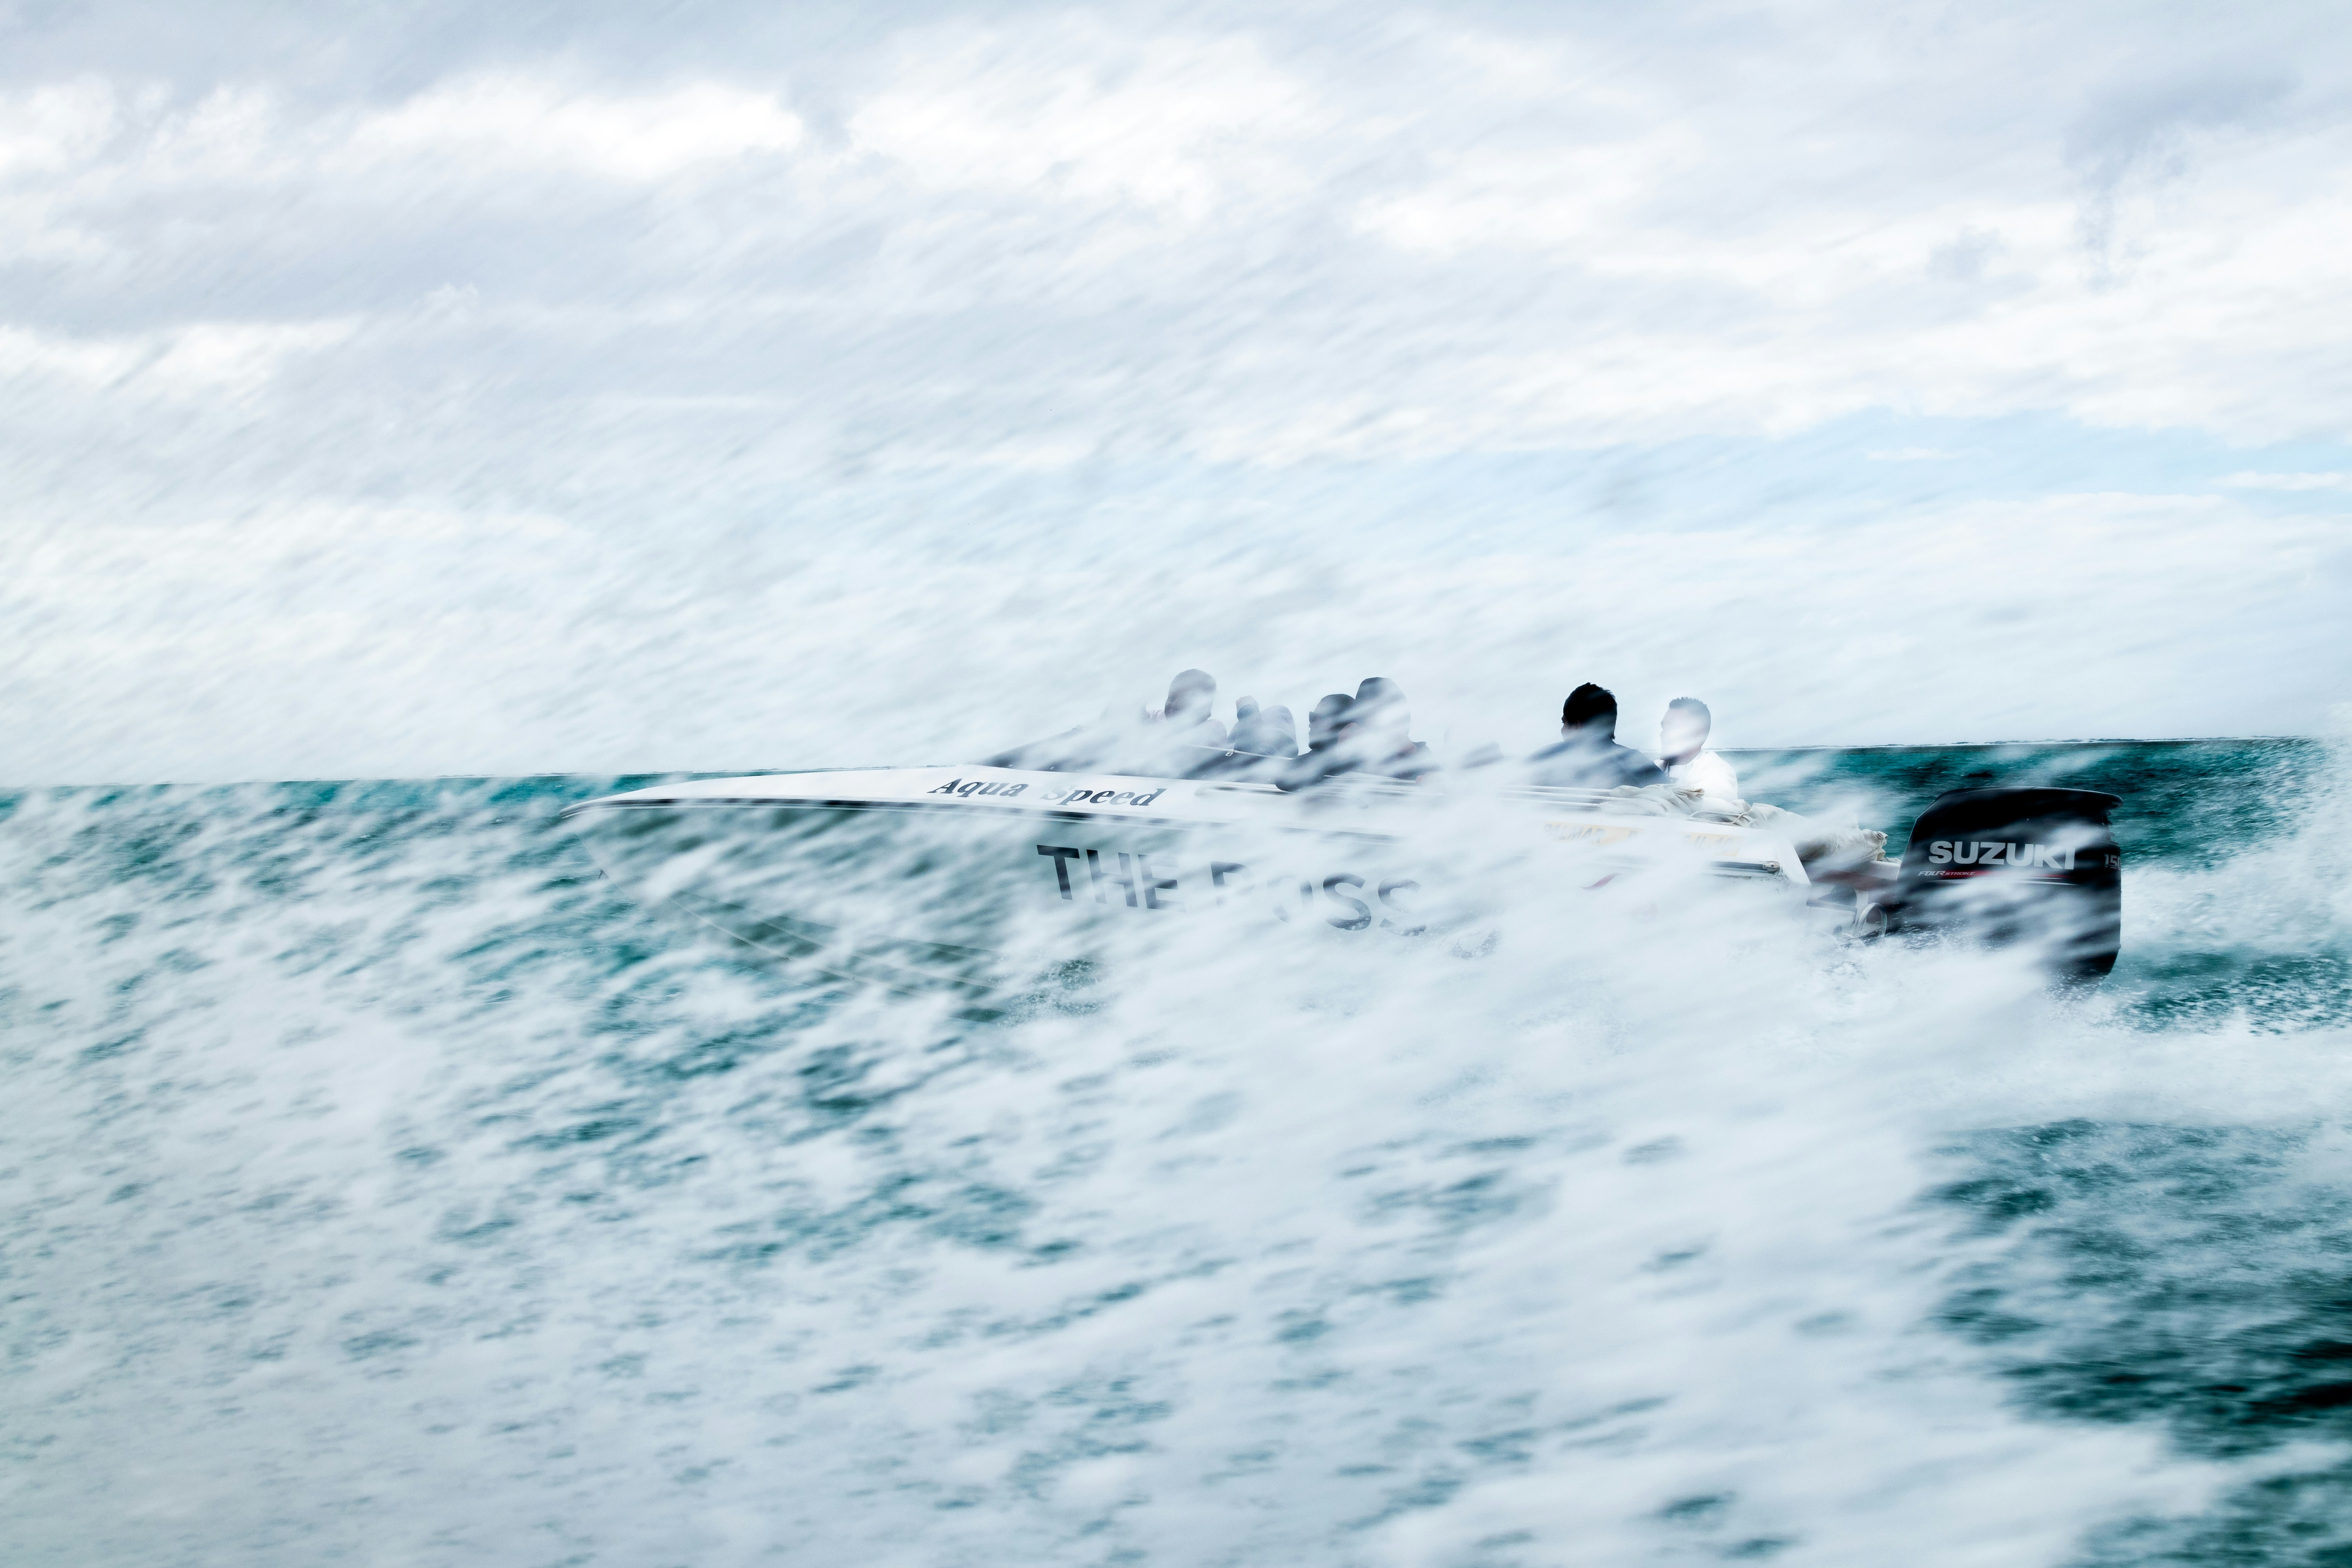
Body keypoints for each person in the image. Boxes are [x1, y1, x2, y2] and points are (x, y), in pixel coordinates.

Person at [1528, 683, 1669, 788]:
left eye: (1564, 723)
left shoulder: (1547, 760)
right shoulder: (1641, 765)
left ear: (1576, 725)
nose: (1563, 730)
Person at [1657, 697, 1740, 806]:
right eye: (1664, 727)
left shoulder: (1719, 773)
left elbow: (1695, 803)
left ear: (1698, 734)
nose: (1663, 734)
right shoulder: (1654, 768)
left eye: (1673, 727)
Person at [1230, 697, 1298, 759]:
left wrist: (1247, 713)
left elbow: (1247, 757)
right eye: (1258, 720)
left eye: (1258, 721)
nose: (1261, 722)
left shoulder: (1271, 753)